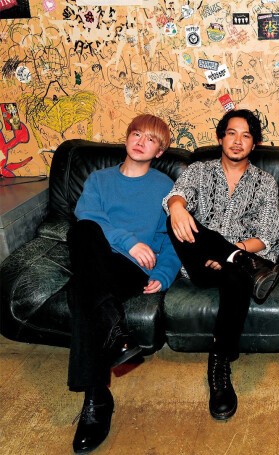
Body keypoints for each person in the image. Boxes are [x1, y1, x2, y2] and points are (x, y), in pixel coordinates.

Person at [67, 114, 181, 454]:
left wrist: (163, 274)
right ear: (127, 138)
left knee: (81, 289)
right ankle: (101, 381)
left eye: (151, 139)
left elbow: (173, 239)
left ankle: (97, 396)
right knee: (83, 232)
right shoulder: (98, 180)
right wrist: (128, 241)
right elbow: (88, 218)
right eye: (136, 134)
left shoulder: (165, 188)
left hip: (130, 269)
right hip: (95, 257)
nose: (141, 142)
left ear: (159, 152)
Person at [163, 108, 279, 421]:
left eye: (246, 136)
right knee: (175, 220)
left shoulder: (265, 182)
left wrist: (231, 253)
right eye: (231, 133)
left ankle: (219, 364)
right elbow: (178, 194)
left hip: (237, 267)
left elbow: (267, 236)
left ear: (254, 144)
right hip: (198, 261)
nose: (238, 141)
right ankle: (238, 259)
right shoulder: (200, 170)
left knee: (236, 273)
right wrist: (177, 207)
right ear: (220, 138)